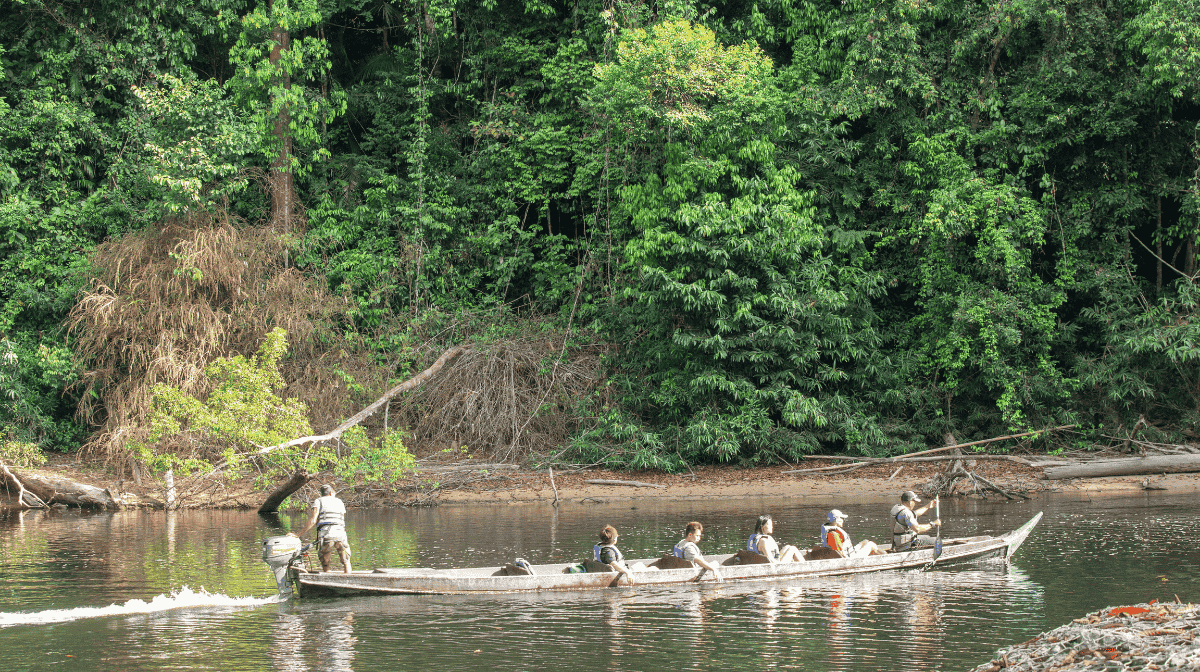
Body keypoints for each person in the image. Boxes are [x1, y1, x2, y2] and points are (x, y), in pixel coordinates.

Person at [291, 484, 352, 573]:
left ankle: (327, 574)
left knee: (325, 559)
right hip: (340, 533)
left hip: (326, 534)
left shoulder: (319, 501)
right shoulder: (339, 502)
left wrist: (298, 534)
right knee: (346, 558)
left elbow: (313, 520)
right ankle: (348, 575)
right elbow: (341, 518)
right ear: (331, 493)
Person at [820, 509, 884, 558]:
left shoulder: (831, 530)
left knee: (865, 542)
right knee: (871, 544)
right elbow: (839, 553)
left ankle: (880, 554)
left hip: (850, 553)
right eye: (842, 518)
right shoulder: (834, 534)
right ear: (836, 520)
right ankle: (887, 556)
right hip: (851, 558)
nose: (843, 520)